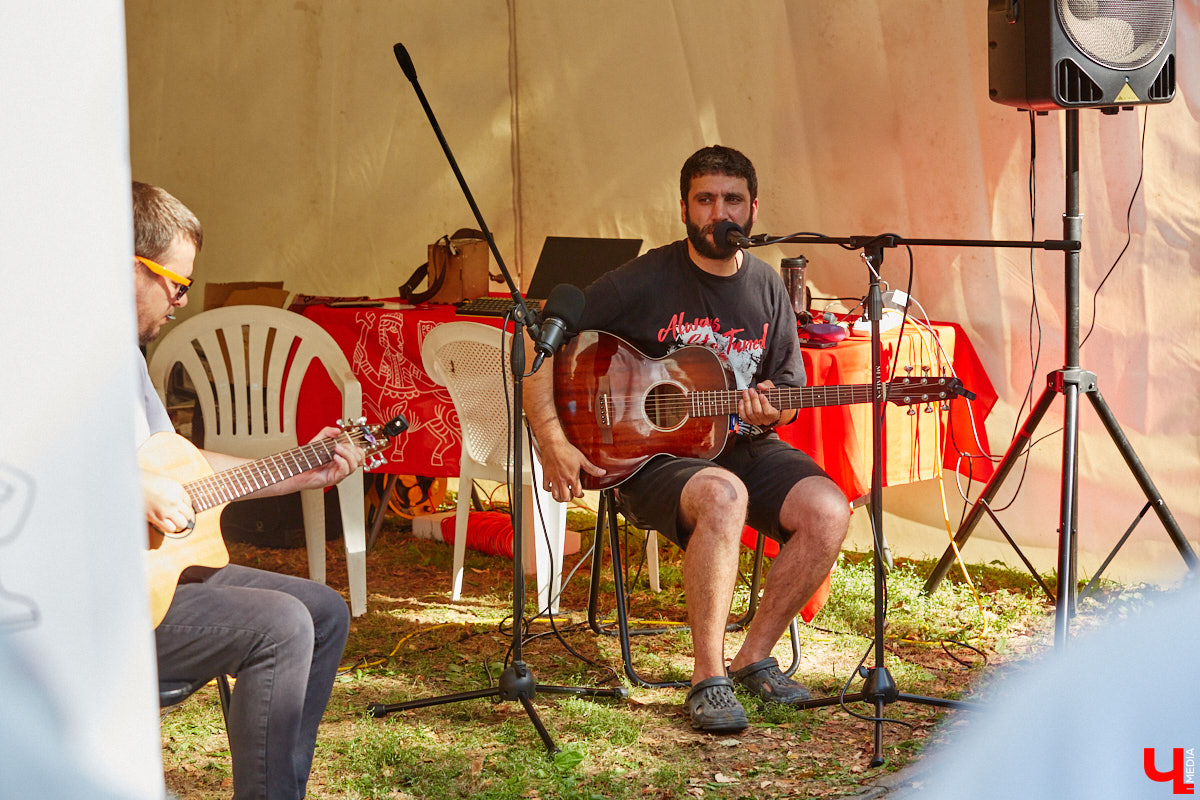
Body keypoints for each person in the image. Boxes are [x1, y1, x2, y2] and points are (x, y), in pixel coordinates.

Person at [524, 145, 851, 733]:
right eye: (705, 199)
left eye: (731, 200)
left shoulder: (768, 288)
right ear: (684, 208)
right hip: (649, 459)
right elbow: (543, 332)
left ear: (753, 209)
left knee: (829, 510)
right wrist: (551, 436)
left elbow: (787, 393)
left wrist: (767, 409)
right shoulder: (646, 276)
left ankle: (754, 659)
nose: (717, 212)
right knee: (722, 495)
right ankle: (708, 678)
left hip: (742, 443)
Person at [132, 181, 362, 799]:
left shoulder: (125, 357)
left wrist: (295, 470)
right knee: (282, 624)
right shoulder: (46, 354)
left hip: (154, 578)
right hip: (93, 602)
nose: (182, 301)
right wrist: (129, 484)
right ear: (129, 266)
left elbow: (183, 464)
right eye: (175, 284)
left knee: (325, 611)